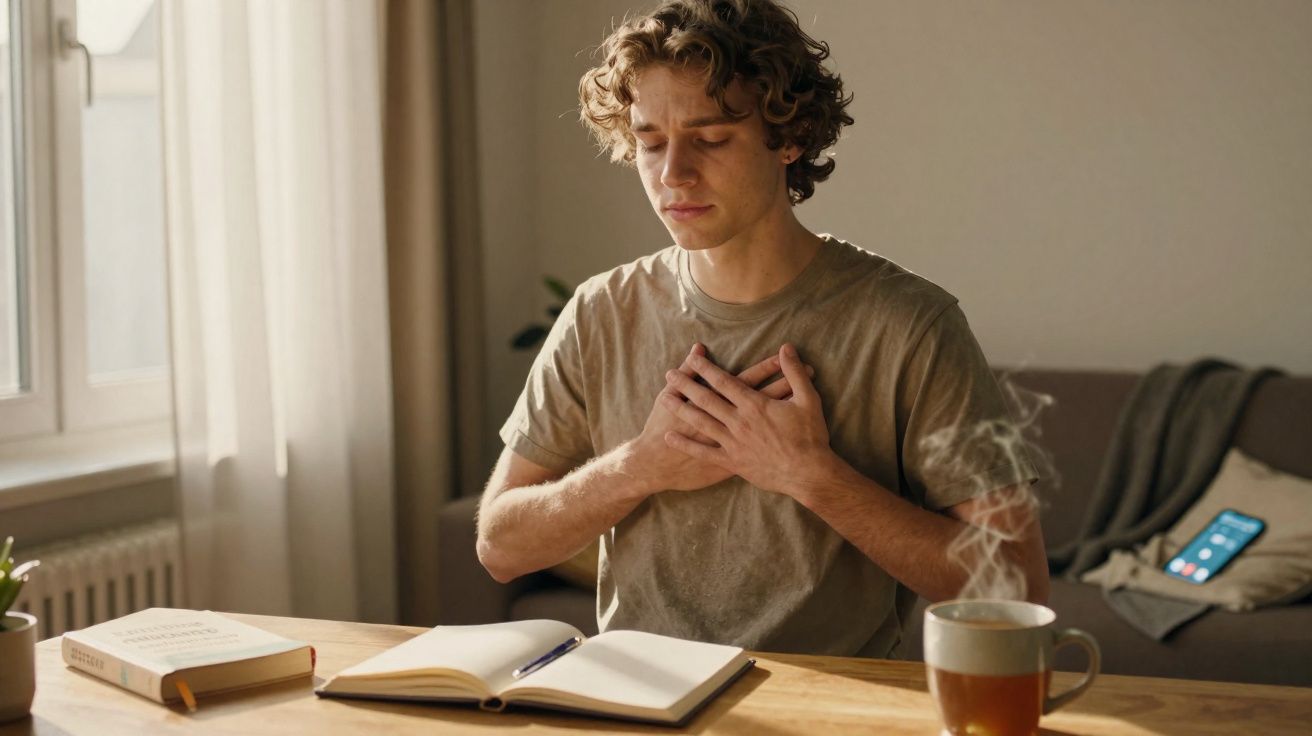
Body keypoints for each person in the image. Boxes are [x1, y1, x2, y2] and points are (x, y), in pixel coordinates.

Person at [476, 0, 1047, 658]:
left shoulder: (911, 325)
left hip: (834, 712)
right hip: (641, 707)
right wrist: (642, 466)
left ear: (791, 136)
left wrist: (811, 476)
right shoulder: (599, 313)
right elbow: (499, 545)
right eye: (651, 142)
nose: (673, 174)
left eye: (711, 138)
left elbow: (1017, 586)